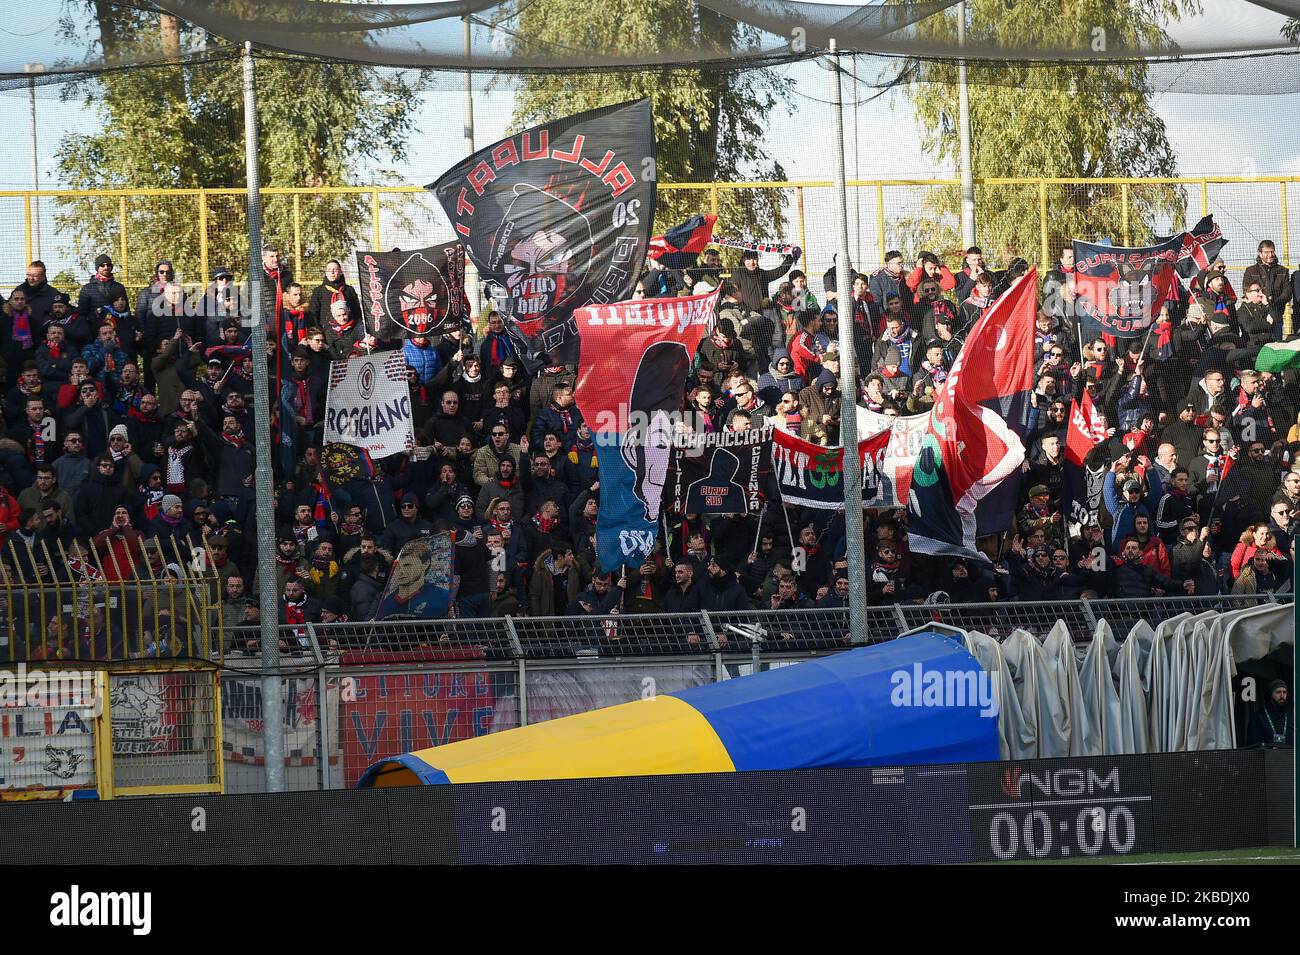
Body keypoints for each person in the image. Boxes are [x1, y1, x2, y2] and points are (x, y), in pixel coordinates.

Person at [1246, 680, 1293, 747]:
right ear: (1270, 694)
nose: (1282, 696)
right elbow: (1253, 745)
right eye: (1278, 692)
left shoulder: (1291, 716)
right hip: (1266, 756)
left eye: (1284, 692)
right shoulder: (1258, 716)